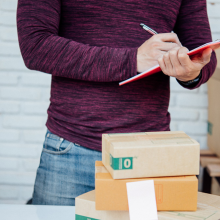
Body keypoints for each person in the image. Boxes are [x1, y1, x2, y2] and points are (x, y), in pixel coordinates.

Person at [17, 0, 217, 205]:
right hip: (71, 149)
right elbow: (35, 45)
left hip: (149, 153)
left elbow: (203, 53)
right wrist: (132, 59)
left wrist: (191, 71)